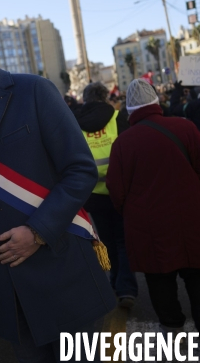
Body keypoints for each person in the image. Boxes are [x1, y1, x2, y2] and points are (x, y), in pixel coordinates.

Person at [0, 12, 116, 362]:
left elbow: (80, 171)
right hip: (6, 288)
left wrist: (37, 232)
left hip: (60, 268)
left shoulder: (33, 91)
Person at [106, 79, 200, 346]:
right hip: (191, 217)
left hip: (148, 225)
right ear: (156, 103)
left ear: (129, 110)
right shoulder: (185, 127)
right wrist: (195, 197)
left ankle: (172, 328)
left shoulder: (124, 142)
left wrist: (133, 211)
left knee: (159, 278)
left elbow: (117, 190)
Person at [73, 82, 138, 308]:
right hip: (120, 191)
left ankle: (114, 282)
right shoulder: (118, 118)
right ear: (105, 97)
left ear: (85, 99)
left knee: (107, 241)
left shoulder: (74, 123)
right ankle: (126, 288)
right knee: (123, 240)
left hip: (92, 193)